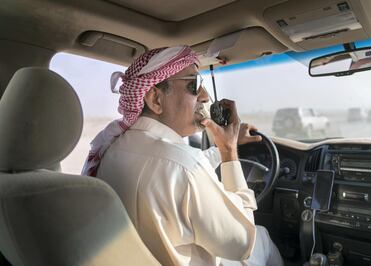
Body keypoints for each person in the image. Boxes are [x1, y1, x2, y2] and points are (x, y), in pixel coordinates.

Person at [82, 45, 283, 266]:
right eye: (194, 85)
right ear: (155, 100)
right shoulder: (185, 168)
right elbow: (242, 242)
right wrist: (229, 153)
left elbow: (176, 167)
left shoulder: (111, 148)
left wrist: (222, 147)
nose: (205, 97)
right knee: (260, 237)